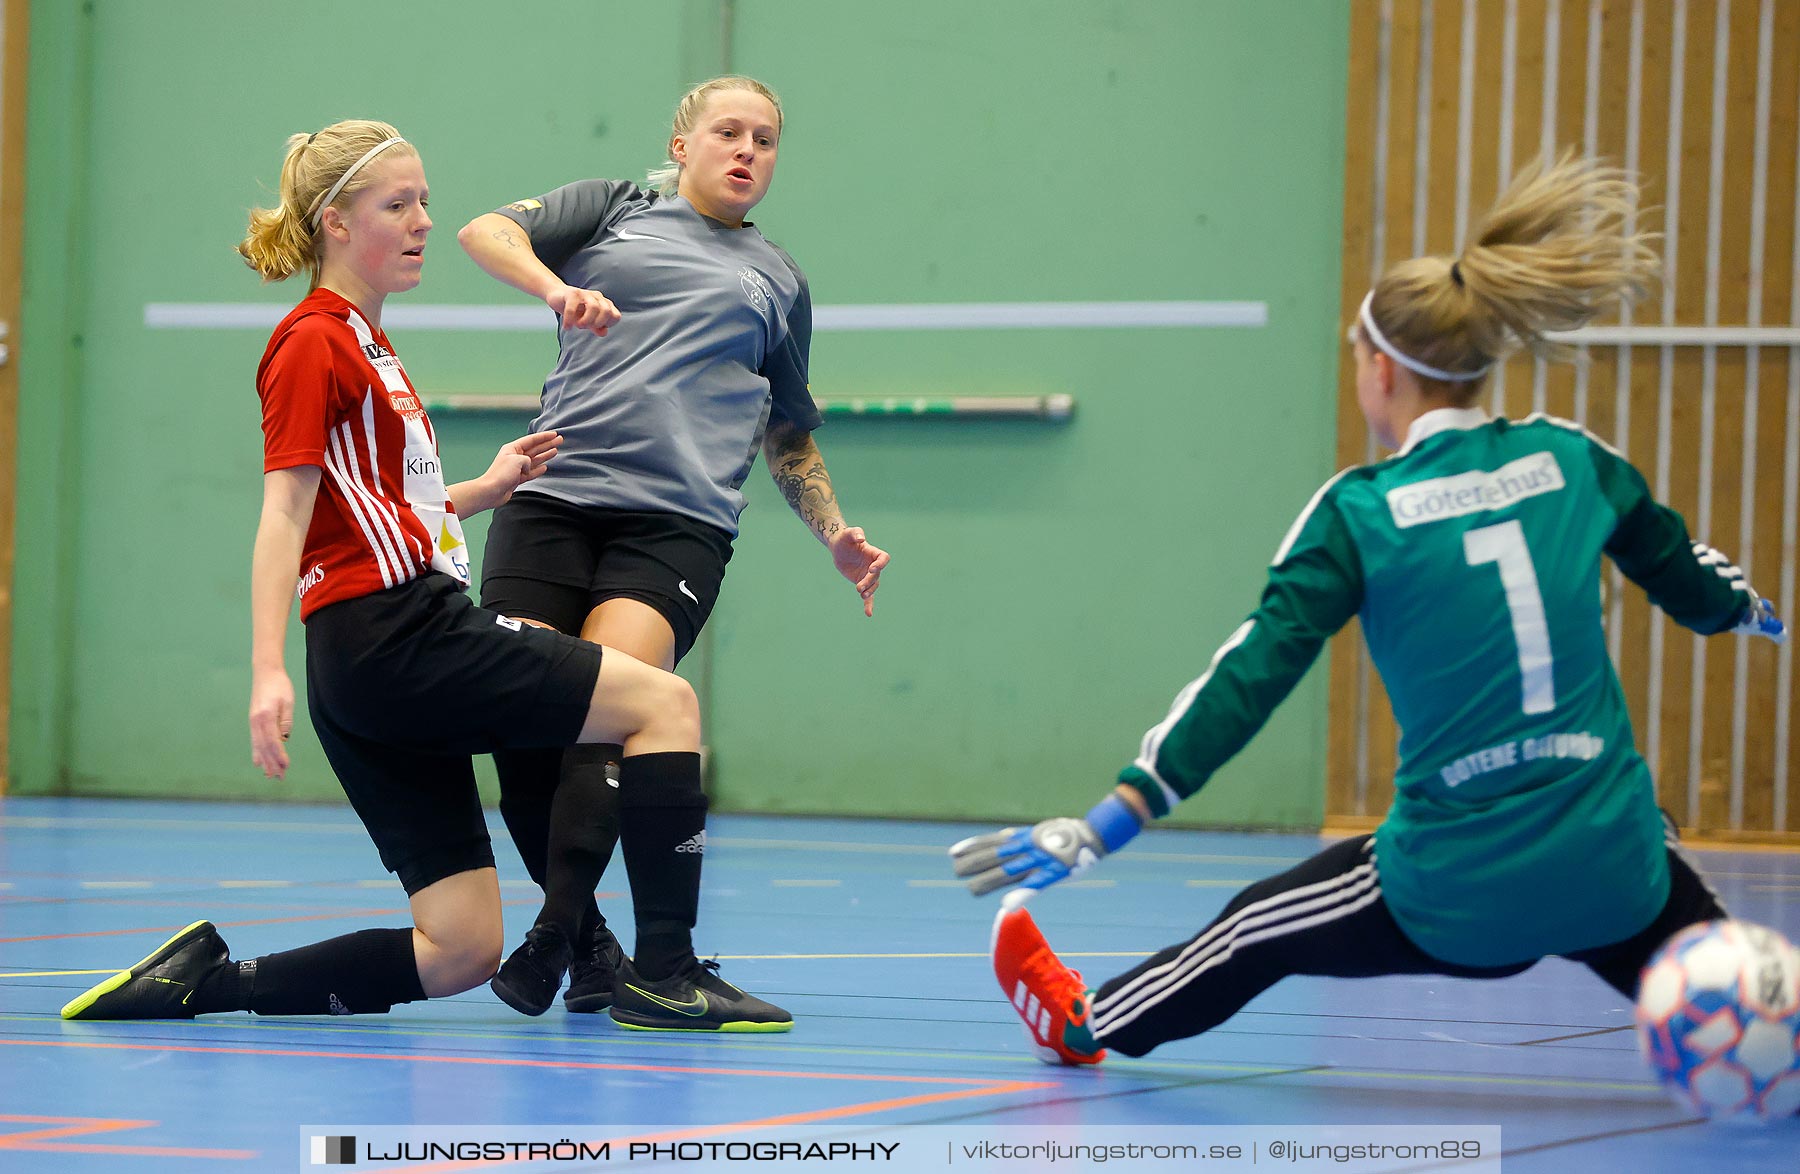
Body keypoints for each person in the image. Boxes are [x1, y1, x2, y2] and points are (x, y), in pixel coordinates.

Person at [949, 152, 1788, 1065]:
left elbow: (1247, 681)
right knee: (1697, 921)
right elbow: (1695, 588)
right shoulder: (1574, 460)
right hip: (1617, 880)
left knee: (1250, 930)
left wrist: (1103, 824)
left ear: (1381, 373)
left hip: (1451, 895)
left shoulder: (1360, 511)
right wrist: (1749, 611)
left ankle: (1088, 1023)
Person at [61, 119, 787, 1033]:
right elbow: (285, 514)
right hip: (397, 638)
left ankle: (207, 982)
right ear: (334, 222)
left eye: (426, 203)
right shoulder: (311, 341)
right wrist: (265, 669)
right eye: (396, 205)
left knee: (457, 949)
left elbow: (362, 507)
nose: (422, 222)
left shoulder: (367, 343)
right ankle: (667, 973)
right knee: (663, 706)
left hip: (373, 665)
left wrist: (481, 489)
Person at [455, 76, 887, 1022]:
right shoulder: (613, 210)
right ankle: (597, 951)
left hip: (673, 526)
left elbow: (790, 432)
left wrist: (835, 535)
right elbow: (484, 229)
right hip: (549, 502)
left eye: (765, 140)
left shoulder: (779, 280)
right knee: (523, 730)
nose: (746, 150)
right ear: (683, 141)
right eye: (727, 131)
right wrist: (556, 288)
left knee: (611, 704)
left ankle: (568, 942)